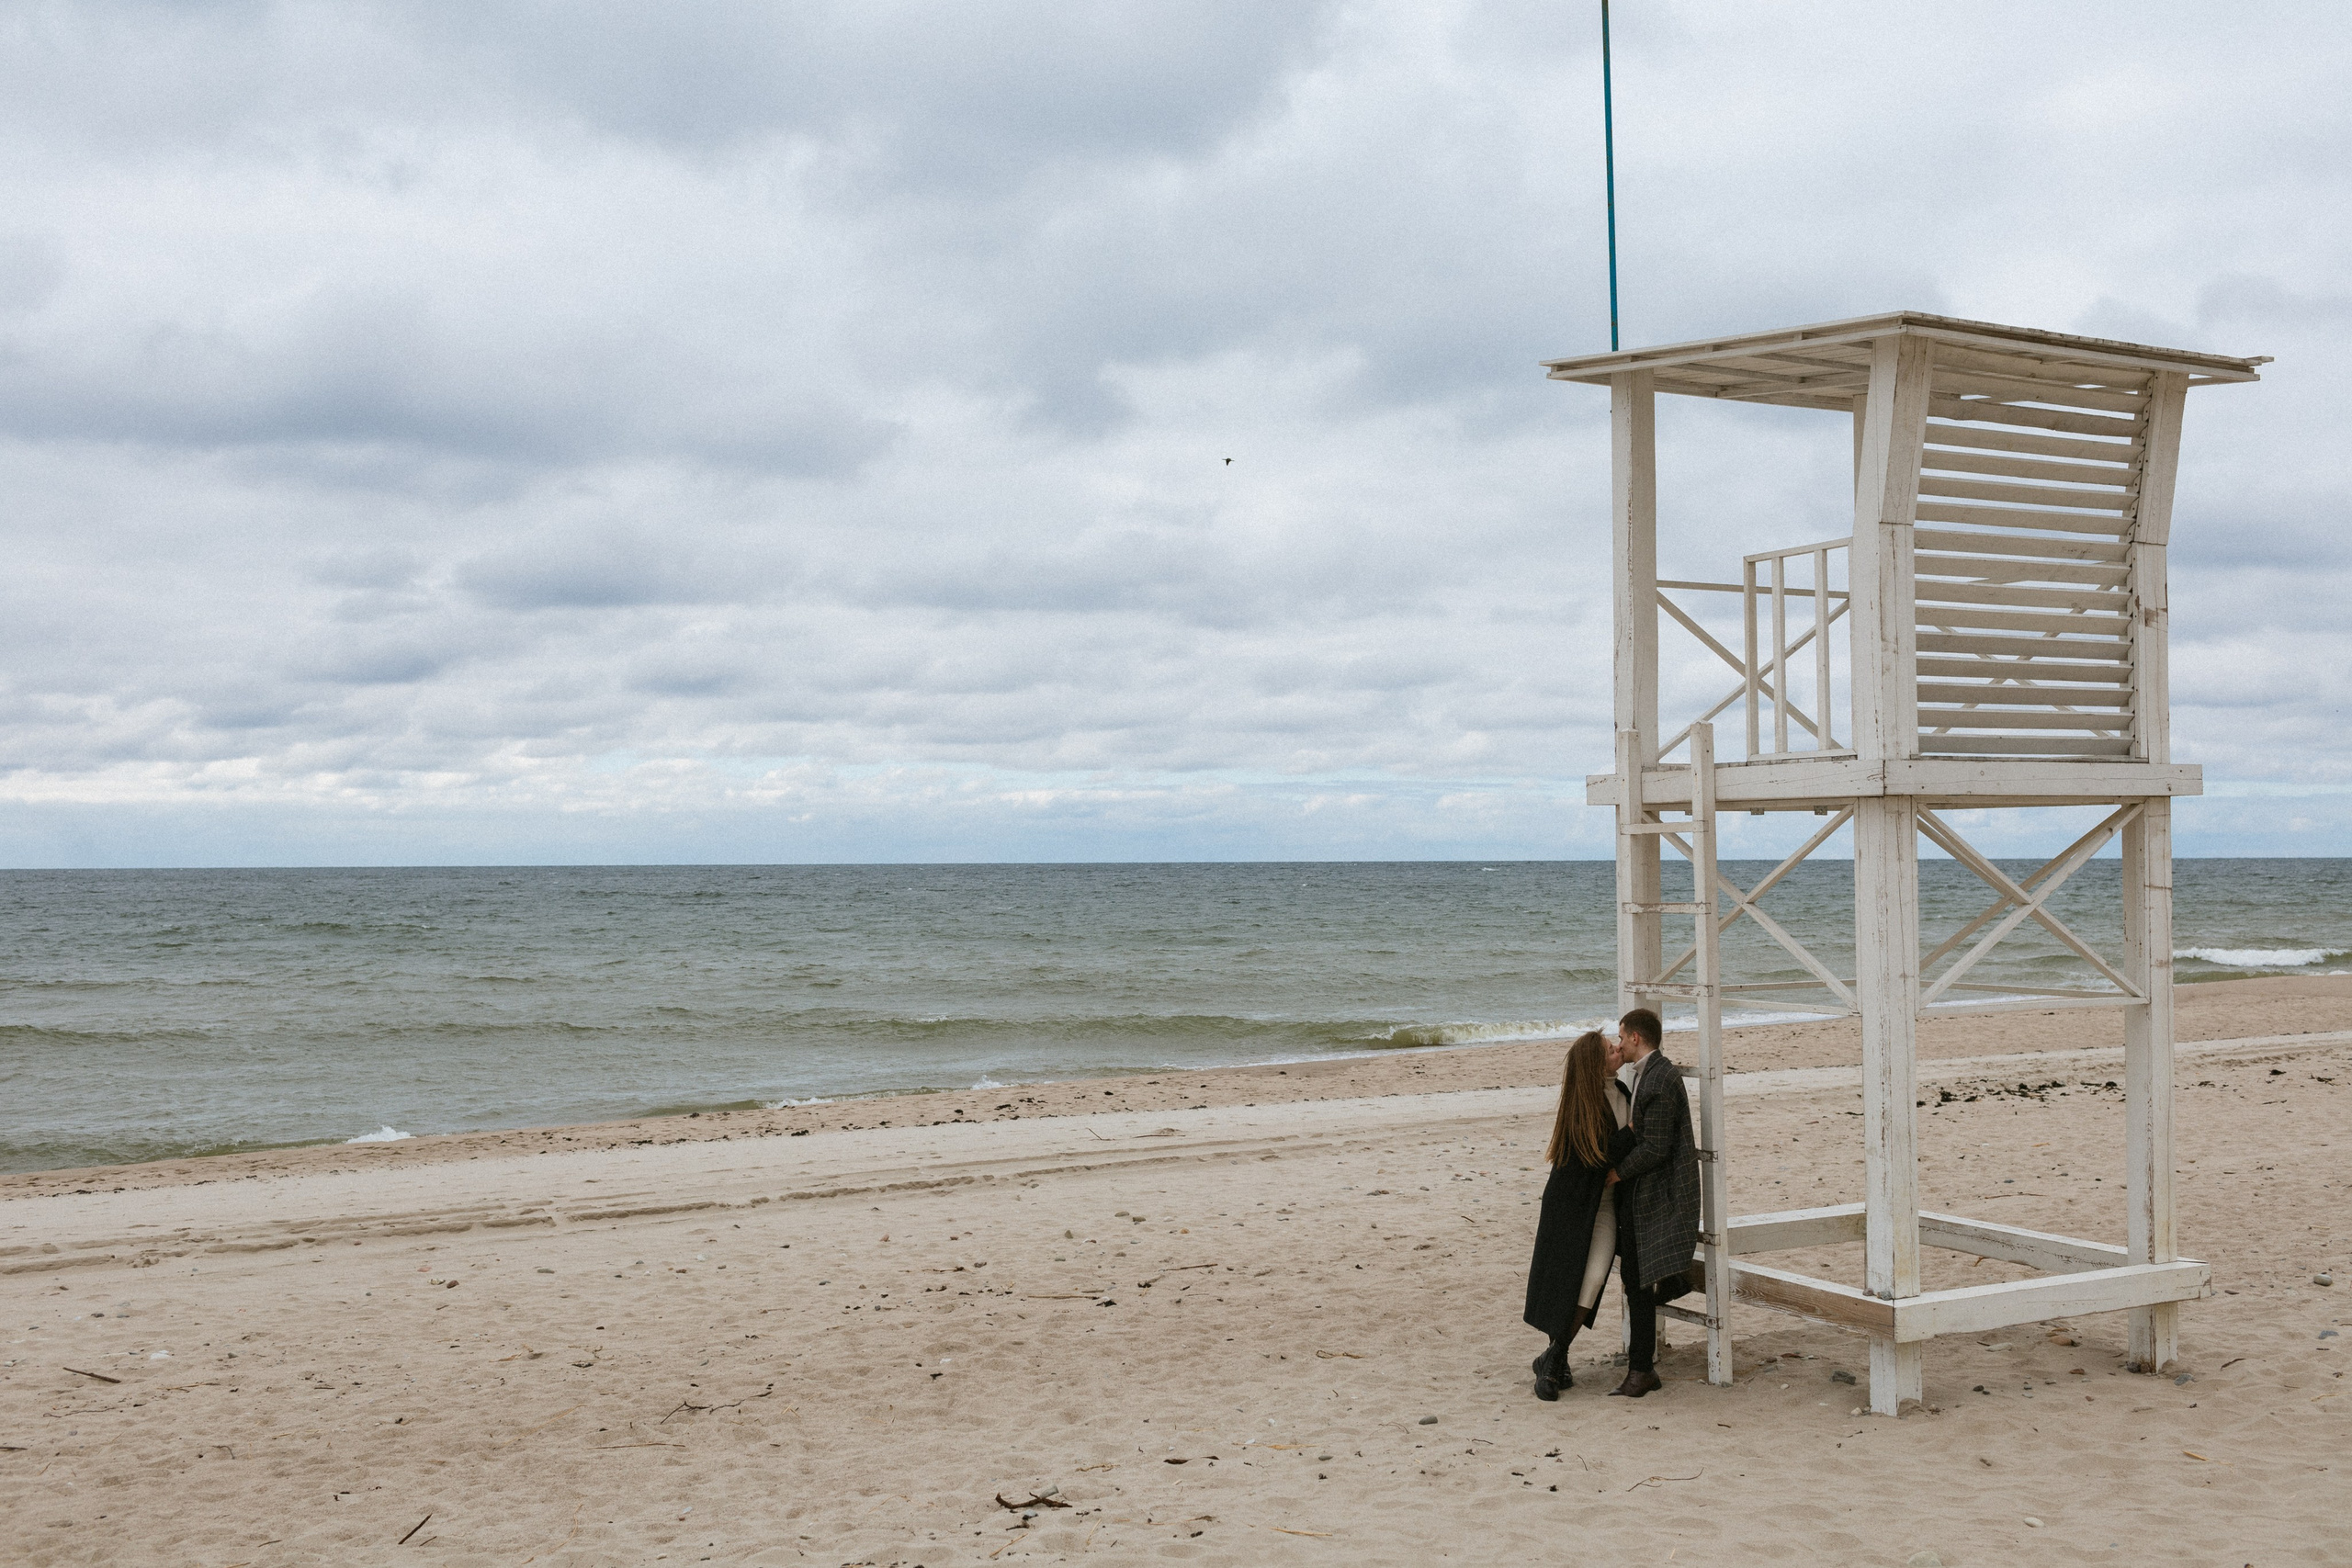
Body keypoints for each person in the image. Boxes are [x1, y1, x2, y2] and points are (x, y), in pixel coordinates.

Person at [1521, 1031, 1635, 1400]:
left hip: (1605, 1205)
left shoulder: (1623, 1093)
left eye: (1615, 1044)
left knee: (1595, 1277)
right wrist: (1632, 1132)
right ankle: (1557, 1363)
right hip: (1570, 1204)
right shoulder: (1581, 1105)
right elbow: (1600, 1154)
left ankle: (1553, 1357)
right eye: (1609, 1049)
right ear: (1594, 1064)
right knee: (1564, 1280)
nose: (1617, 1048)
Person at [1605, 1007, 1702, 1399]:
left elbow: (1657, 1147)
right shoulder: (1649, 1074)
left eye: (1621, 1036)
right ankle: (1641, 1367)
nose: (1618, 1044)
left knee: (1637, 1280)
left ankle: (1641, 1371)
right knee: (1635, 1278)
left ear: (1635, 1037)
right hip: (1649, 1189)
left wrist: (1617, 1173)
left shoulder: (1659, 1078)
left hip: (1658, 1192)